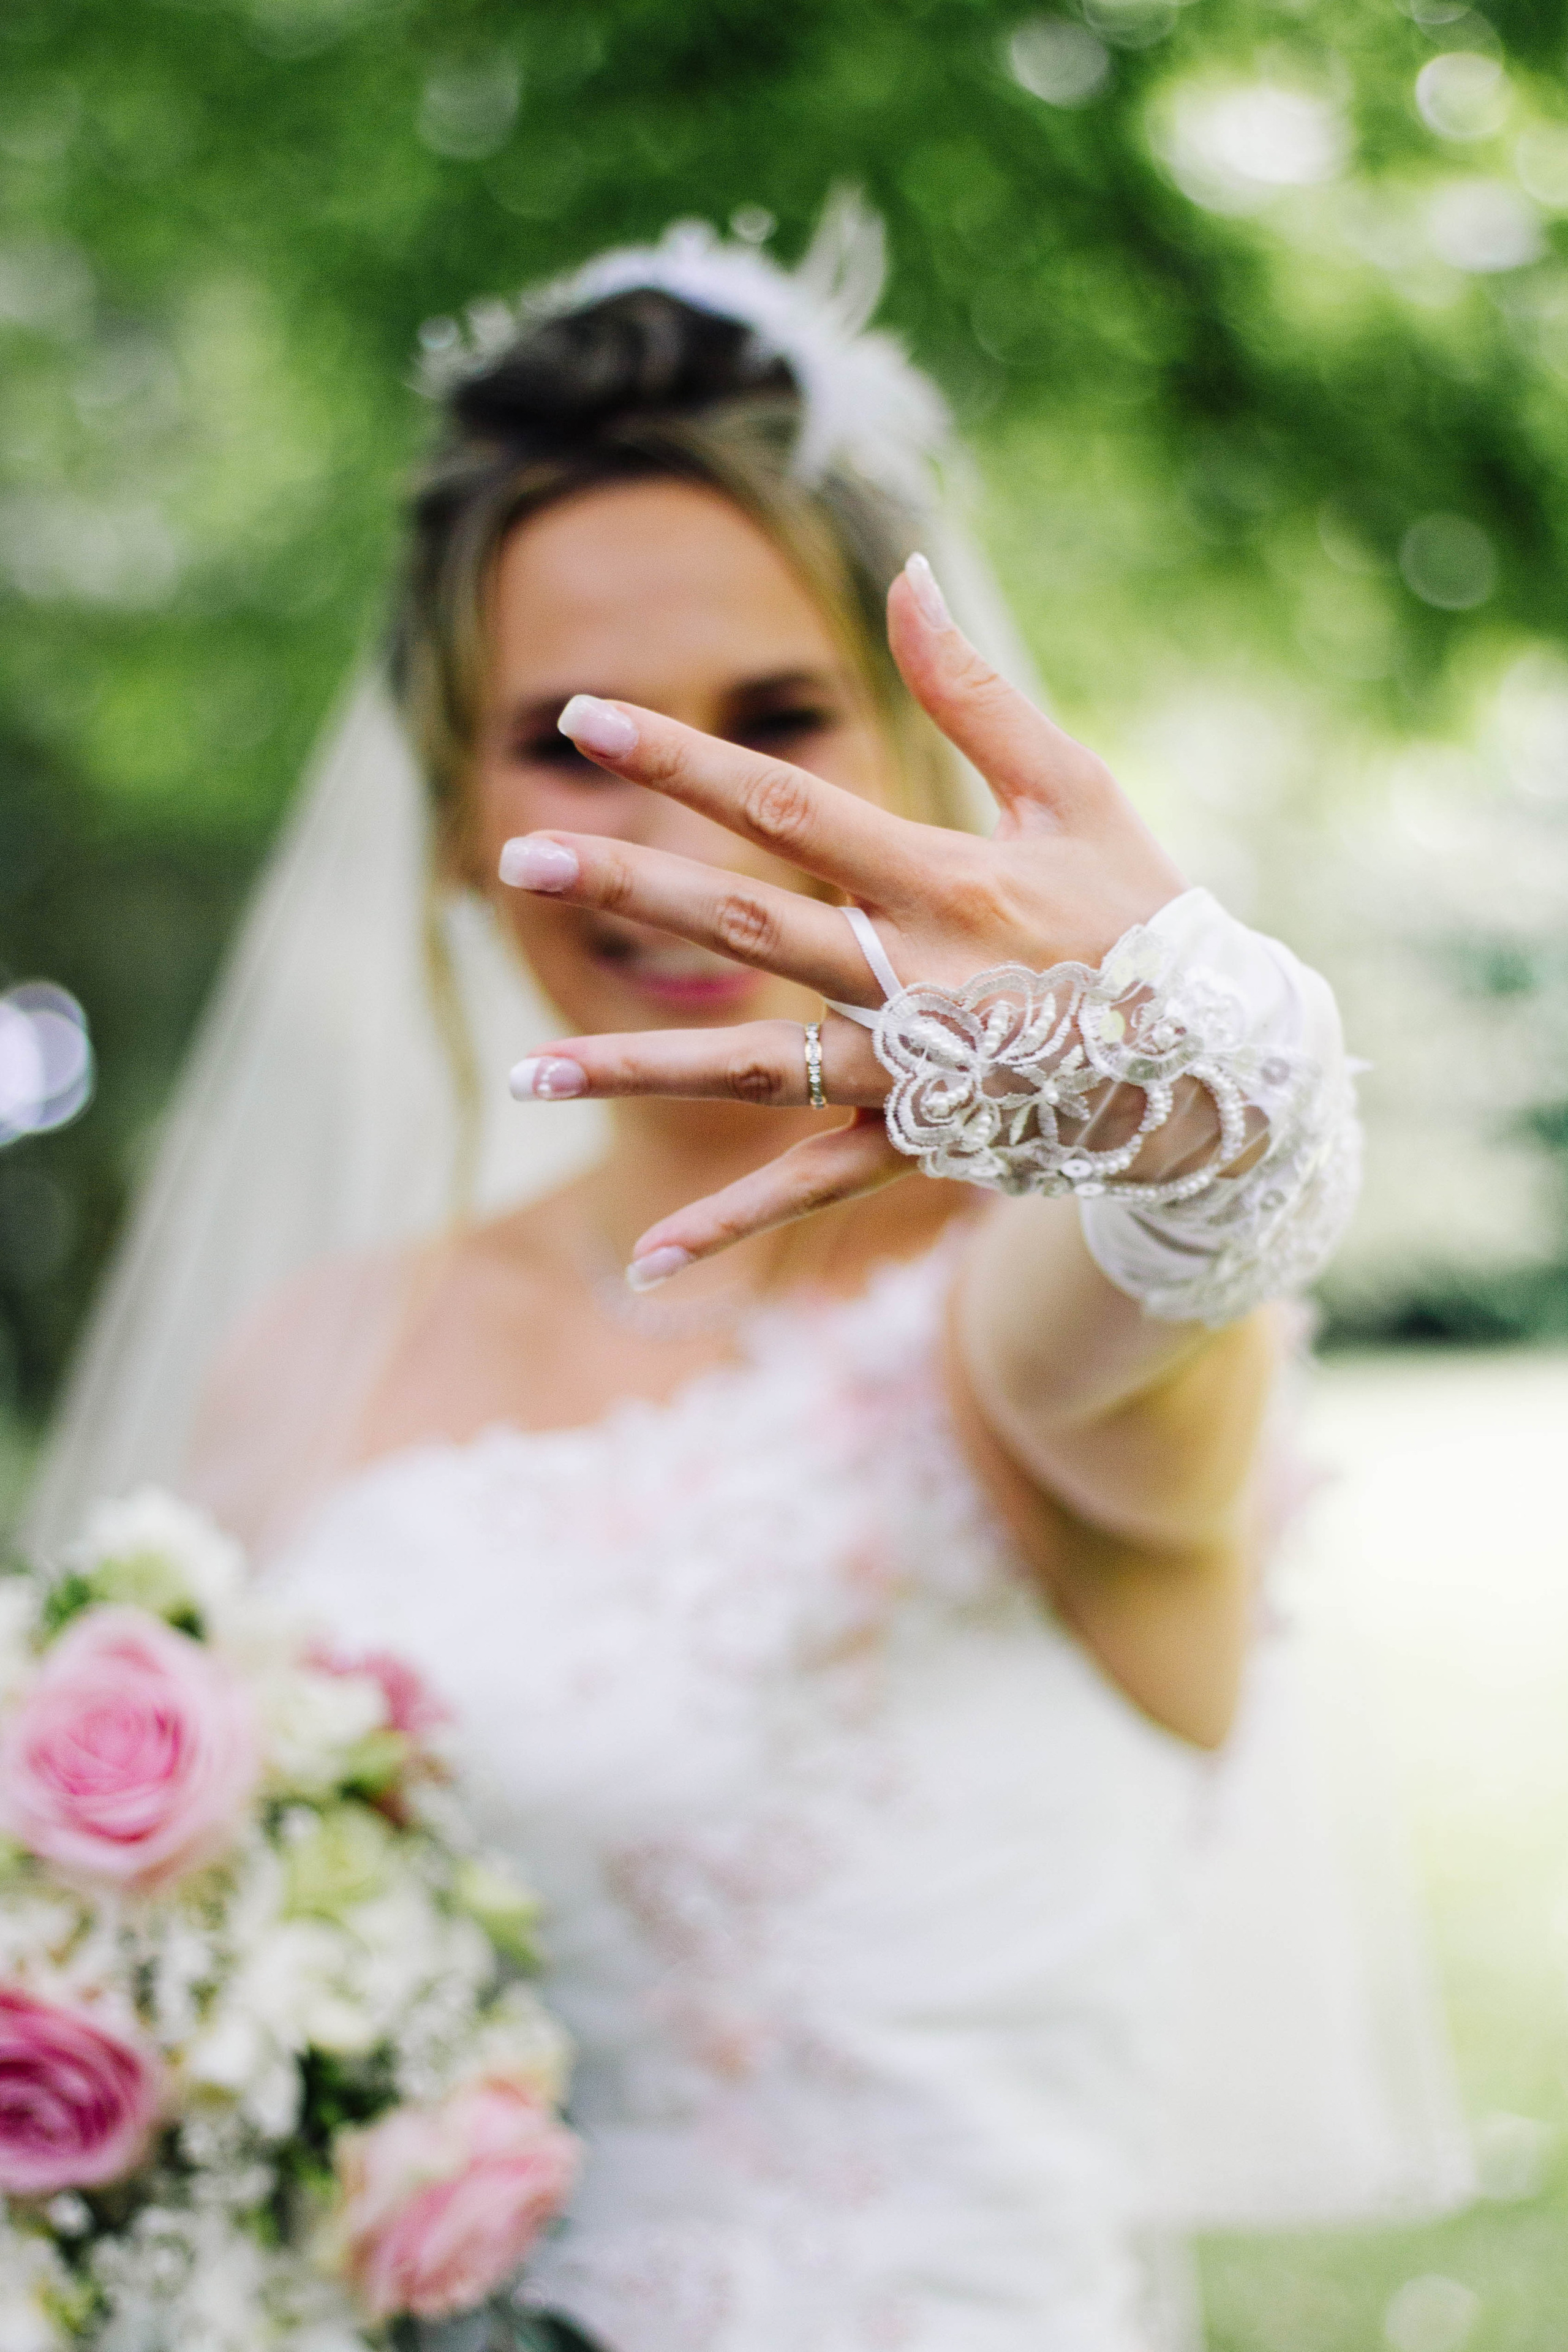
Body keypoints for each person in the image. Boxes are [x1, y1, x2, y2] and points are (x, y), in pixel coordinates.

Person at [28, 208, 1469, 2351]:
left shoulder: (1017, 1324)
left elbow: (1188, 1249)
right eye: (572, 736)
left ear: (907, 754)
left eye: (775, 712)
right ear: (445, 808)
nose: (682, 828)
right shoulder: (315, 1354)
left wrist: (1202, 1089)